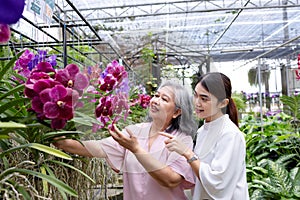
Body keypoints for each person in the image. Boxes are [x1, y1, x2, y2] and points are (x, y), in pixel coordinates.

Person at [53, 80, 198, 200]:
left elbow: (171, 180)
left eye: (164, 99)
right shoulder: (134, 131)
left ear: (177, 112)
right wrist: (60, 141)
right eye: (156, 95)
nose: (155, 101)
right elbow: (96, 148)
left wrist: (136, 150)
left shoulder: (181, 140)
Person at [160, 72, 249, 200]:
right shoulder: (202, 131)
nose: (197, 103)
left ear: (223, 103)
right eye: (195, 95)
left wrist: (187, 153)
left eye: (204, 98)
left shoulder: (230, 134)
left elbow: (218, 183)